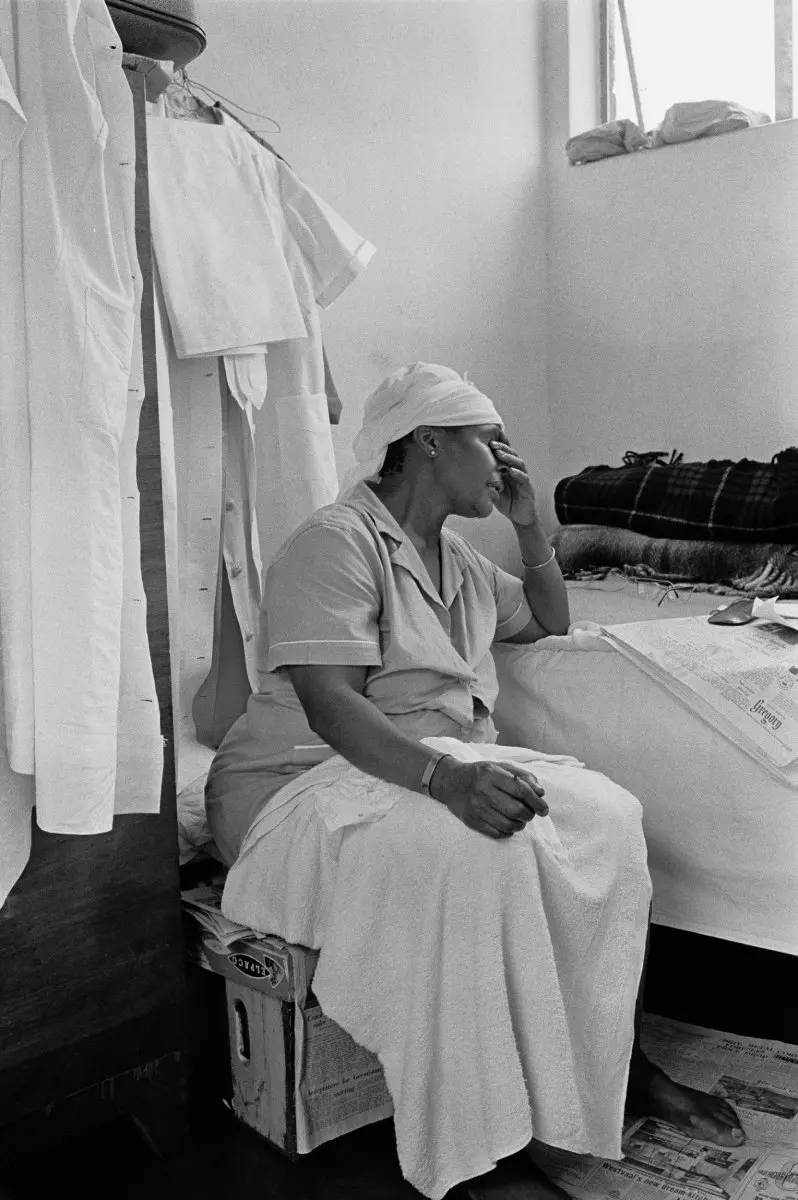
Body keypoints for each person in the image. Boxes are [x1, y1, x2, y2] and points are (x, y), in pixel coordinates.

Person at [206, 363, 744, 1200]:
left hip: (415, 771)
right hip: (302, 783)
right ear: (428, 442)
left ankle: (622, 1066)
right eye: (489, 440)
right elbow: (330, 707)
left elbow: (549, 619)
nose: (505, 458)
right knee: (476, 857)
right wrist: (446, 781)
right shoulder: (334, 543)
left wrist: (530, 528)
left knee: (609, 817)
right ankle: (479, 1145)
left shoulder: (453, 556)